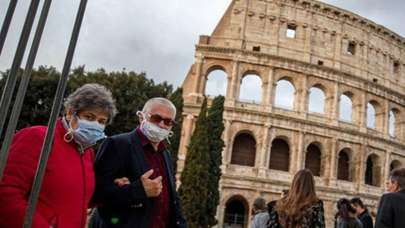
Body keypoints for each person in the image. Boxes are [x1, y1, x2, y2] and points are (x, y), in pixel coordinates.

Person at [0, 83, 117, 227]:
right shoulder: (38, 138)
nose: (95, 124)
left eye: (101, 121)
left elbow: (78, 198)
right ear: (70, 112)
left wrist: (117, 187)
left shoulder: (87, 152)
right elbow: (6, 192)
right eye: (89, 116)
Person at [91, 97, 187, 228]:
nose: (162, 124)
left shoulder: (165, 154)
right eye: (156, 118)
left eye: (168, 121)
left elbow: (171, 199)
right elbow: (96, 194)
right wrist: (137, 190)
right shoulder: (118, 145)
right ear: (142, 117)